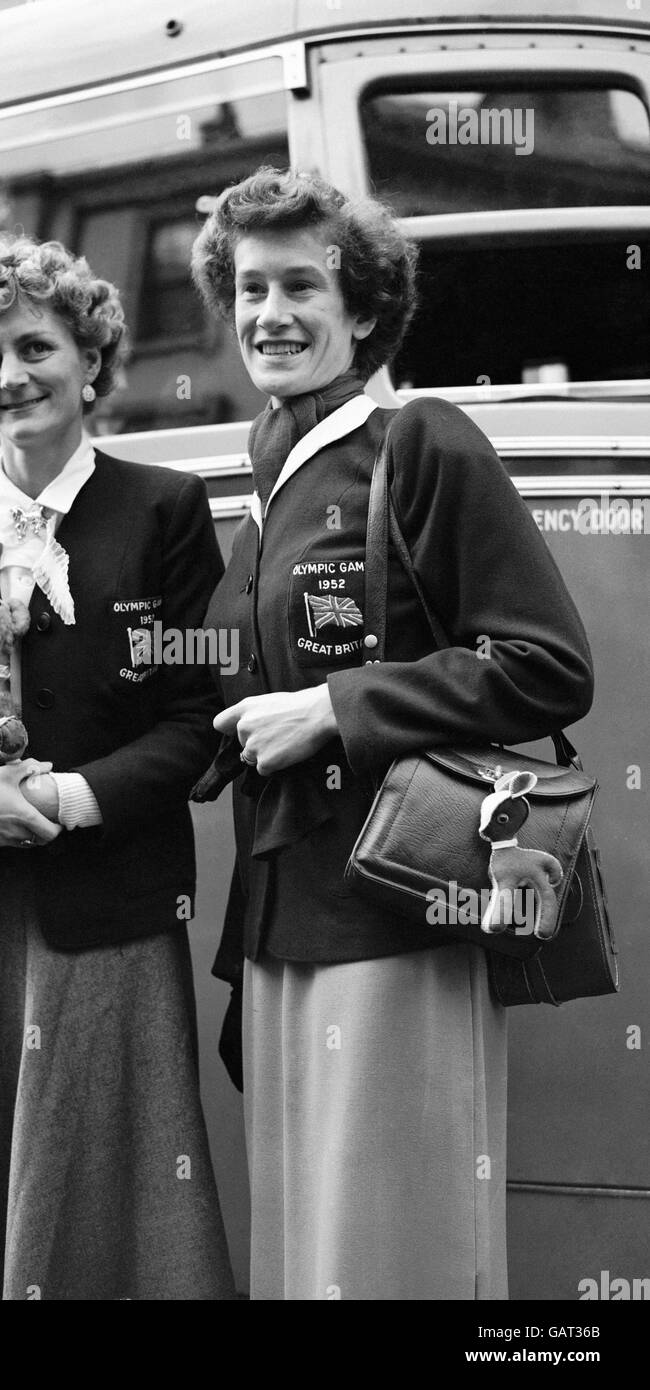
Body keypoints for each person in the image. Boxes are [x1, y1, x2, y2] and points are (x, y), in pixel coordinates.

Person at [190, 167, 594, 1301]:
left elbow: (549, 666)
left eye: (302, 286)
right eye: (250, 287)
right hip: (278, 920)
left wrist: (332, 710)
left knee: (390, 1254)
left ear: (363, 310)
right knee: (306, 1254)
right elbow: (224, 695)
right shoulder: (272, 469)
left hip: (401, 908)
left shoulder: (421, 441)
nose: (269, 312)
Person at [0, 233, 235, 1301]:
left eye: (35, 347)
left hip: (108, 911)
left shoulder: (165, 509)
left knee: (110, 1206)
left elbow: (196, 718)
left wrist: (63, 800)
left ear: (92, 359)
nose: (10, 376)